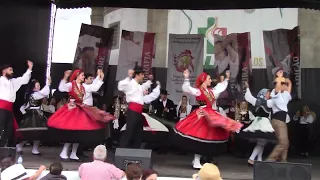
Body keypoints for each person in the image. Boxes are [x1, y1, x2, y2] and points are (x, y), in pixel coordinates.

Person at [174, 70, 242, 169]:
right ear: (204, 80)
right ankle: (196, 161)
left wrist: (227, 79)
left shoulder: (211, 91)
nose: (211, 80)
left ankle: (196, 160)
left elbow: (220, 88)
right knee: (199, 138)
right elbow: (186, 88)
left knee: (204, 138)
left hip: (210, 114)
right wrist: (186, 78)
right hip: (202, 115)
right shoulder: (198, 91)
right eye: (209, 78)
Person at [47, 69, 115, 161]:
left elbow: (94, 87)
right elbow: (61, 88)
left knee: (79, 132)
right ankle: (64, 151)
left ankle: (74, 153)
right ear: (77, 76)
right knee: (71, 132)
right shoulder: (71, 84)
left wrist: (100, 77)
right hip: (72, 110)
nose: (83, 77)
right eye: (82, 75)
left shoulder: (84, 87)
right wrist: (65, 77)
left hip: (80, 110)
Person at [117, 67, 156, 148]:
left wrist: (149, 81)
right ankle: (122, 149)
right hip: (133, 111)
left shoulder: (138, 85)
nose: (143, 77)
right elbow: (120, 86)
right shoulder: (130, 84)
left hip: (138, 112)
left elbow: (143, 87)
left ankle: (135, 150)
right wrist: (129, 77)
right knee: (129, 131)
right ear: (137, 75)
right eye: (142, 75)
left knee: (138, 133)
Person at [241, 83, 276, 165]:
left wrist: (248, 88)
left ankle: (259, 159)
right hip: (264, 123)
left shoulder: (256, 101)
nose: (269, 94)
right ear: (264, 94)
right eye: (268, 93)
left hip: (257, 123)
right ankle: (251, 159)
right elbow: (276, 100)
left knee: (261, 142)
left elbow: (248, 97)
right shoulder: (268, 102)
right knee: (262, 142)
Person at [0, 61, 33, 147]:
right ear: (4, 71)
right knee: (1, 129)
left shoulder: (13, 82)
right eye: (10, 70)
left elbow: (24, 80)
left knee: (9, 130)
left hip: (9, 109)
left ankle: (4, 149)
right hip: (1, 108)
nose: (12, 72)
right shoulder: (0, 81)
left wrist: (29, 69)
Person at [16, 78, 51, 155]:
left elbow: (23, 107)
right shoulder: (34, 95)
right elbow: (44, 93)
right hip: (33, 115)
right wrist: (48, 84)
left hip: (38, 114)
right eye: (37, 85)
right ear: (33, 87)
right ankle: (20, 145)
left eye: (39, 85)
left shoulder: (34, 95)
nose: (39, 87)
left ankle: (35, 149)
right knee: (30, 133)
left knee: (38, 132)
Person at [266, 74, 292, 162]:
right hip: (278, 120)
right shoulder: (275, 93)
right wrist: (279, 79)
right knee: (283, 142)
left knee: (286, 143)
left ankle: (283, 161)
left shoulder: (285, 95)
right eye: (283, 84)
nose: (285, 85)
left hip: (282, 121)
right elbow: (277, 88)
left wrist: (289, 82)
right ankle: (270, 160)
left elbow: (289, 89)